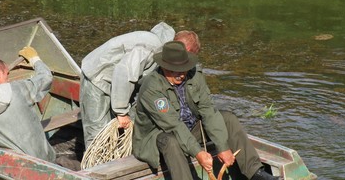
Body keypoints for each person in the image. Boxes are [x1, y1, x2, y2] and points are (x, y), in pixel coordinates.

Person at [132, 41, 280, 180]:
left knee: (227, 118)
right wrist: (198, 153)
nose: (181, 74)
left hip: (190, 129)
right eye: (175, 70)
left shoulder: (195, 75)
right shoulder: (151, 88)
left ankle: (255, 172)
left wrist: (222, 147)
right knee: (172, 142)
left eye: (183, 69)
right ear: (164, 67)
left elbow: (208, 110)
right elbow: (173, 125)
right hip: (158, 137)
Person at [79, 22, 175, 149]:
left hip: (112, 80)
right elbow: (124, 72)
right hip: (96, 76)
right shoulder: (149, 48)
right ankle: (96, 166)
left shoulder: (152, 44)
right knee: (97, 132)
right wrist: (121, 112)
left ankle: (114, 157)